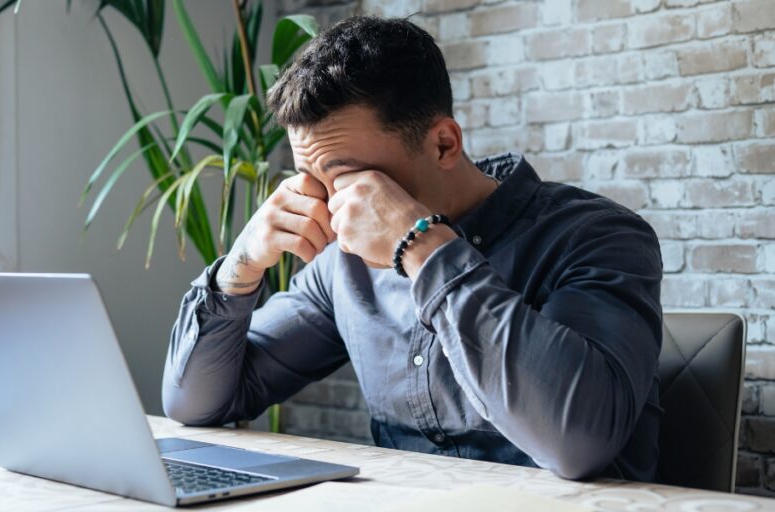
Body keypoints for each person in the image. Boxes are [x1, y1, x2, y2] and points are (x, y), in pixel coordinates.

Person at [161, 16, 663, 482]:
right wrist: (242, 264)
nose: (329, 205)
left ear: (444, 144)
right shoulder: (343, 268)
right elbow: (196, 404)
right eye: (310, 179)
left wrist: (422, 247)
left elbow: (577, 442)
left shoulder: (597, 236)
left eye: (349, 178)